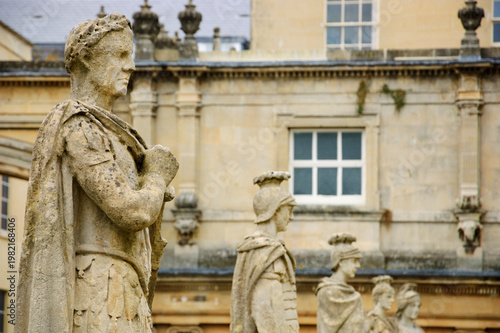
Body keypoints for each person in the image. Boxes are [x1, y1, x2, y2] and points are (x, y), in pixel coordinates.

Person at [16, 14, 178, 333]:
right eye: (120, 55)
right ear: (88, 59)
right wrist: (157, 178)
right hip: (97, 292)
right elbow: (130, 210)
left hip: (125, 295)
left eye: (130, 56)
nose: (130, 66)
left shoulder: (116, 136)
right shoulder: (79, 126)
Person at [230, 171, 299, 333]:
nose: (291, 216)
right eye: (288, 210)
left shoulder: (265, 249)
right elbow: (263, 307)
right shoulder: (266, 251)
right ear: (275, 210)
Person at [316, 233, 366, 333]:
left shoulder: (354, 295)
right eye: (354, 261)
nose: (358, 265)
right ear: (340, 262)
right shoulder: (326, 292)